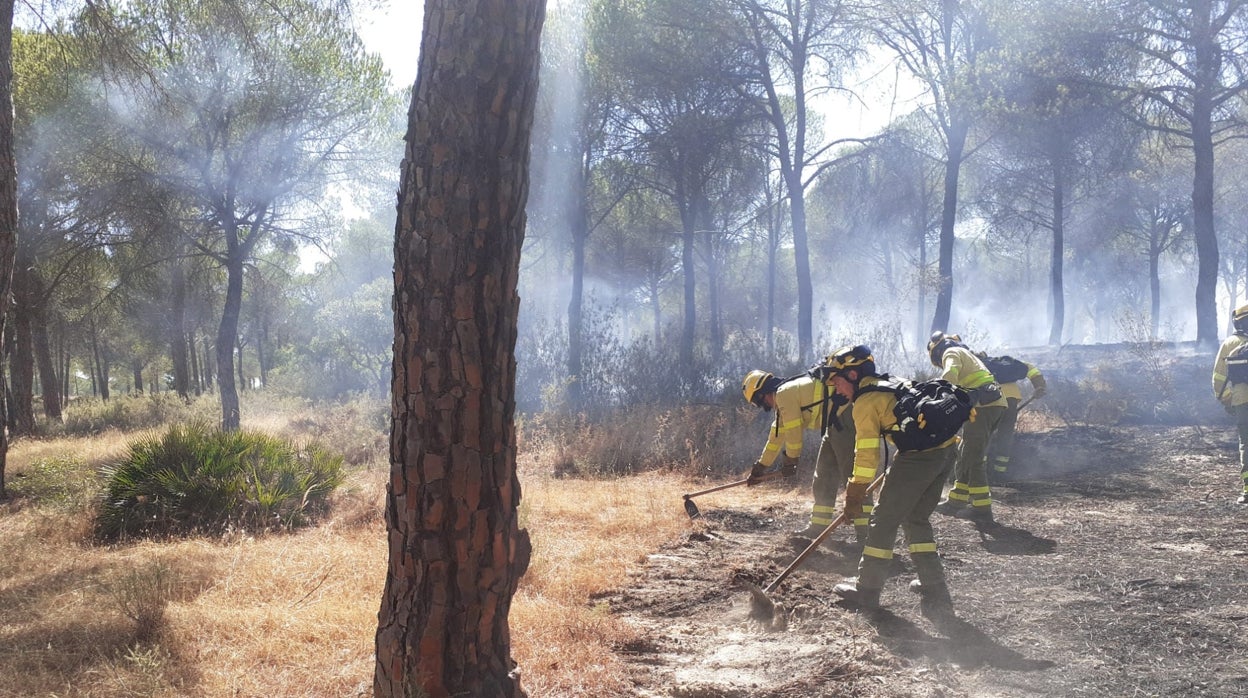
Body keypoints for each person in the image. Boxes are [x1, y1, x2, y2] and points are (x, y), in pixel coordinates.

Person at [821, 345, 959, 621]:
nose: (837, 389)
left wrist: (854, 493)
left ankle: (867, 589)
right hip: (946, 450)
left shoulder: (864, 402)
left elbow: (867, 455)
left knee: (882, 521)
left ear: (852, 374)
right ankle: (934, 587)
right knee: (916, 518)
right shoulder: (893, 381)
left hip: (918, 458)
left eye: (837, 381)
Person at [741, 368, 871, 545]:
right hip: (833, 423)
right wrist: (760, 468)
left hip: (846, 417)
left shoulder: (784, 395)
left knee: (854, 477)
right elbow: (776, 436)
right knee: (823, 476)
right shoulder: (785, 396)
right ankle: (819, 527)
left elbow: (794, 433)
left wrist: (791, 461)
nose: (765, 407)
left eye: (760, 403)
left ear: (763, 394)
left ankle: (866, 534)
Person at [928, 331, 1007, 523]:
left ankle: (982, 508)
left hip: (982, 406)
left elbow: (949, 374)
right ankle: (956, 500)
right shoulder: (968, 354)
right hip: (992, 404)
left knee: (974, 457)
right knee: (966, 452)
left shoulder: (951, 352)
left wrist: (936, 399)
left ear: (938, 351)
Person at [979, 352, 1047, 479]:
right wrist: (1040, 386)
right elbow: (1031, 368)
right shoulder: (1007, 365)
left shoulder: (977, 365)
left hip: (991, 400)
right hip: (1011, 399)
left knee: (984, 435)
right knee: (1005, 435)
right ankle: (1000, 473)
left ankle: (980, 472)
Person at [1212, 302, 1248, 505]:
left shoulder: (1229, 344)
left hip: (1242, 402)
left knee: (1247, 444)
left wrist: (1228, 401)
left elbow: (1218, 378)